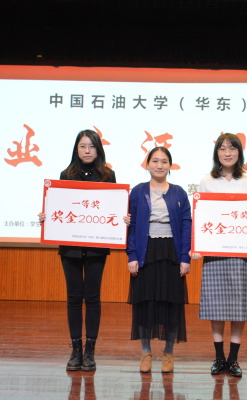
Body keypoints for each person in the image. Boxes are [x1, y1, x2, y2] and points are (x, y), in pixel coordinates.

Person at [192, 133, 247, 378]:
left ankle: (234, 359)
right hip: (215, 253)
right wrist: (196, 246)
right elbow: (201, 216)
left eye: (232, 148)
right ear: (216, 153)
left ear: (240, 152)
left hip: (243, 253)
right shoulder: (207, 180)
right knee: (216, 305)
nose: (227, 153)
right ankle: (219, 358)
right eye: (222, 148)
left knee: (241, 306)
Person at [39, 129, 116, 372]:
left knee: (92, 298)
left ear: (98, 149)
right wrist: (48, 216)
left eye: (91, 146)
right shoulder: (66, 174)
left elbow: (112, 207)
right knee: (73, 298)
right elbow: (60, 207)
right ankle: (75, 350)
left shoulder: (108, 176)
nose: (87, 150)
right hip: (70, 246)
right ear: (76, 149)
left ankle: (90, 350)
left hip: (96, 246)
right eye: (82, 146)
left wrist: (121, 218)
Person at [126, 146, 191, 374]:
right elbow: (132, 225)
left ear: (170, 165)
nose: (159, 165)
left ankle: (168, 353)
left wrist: (185, 257)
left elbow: (186, 225)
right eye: (155, 161)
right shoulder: (137, 191)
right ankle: (146, 353)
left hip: (171, 251)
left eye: (164, 161)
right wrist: (132, 255)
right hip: (146, 251)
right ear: (147, 164)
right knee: (145, 304)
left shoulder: (179, 193)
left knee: (171, 304)